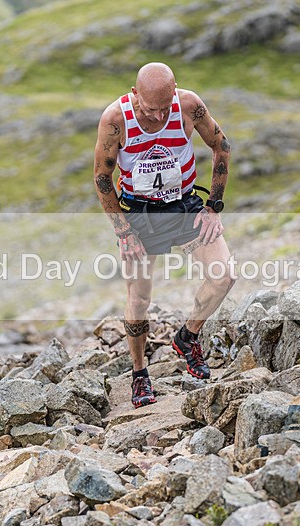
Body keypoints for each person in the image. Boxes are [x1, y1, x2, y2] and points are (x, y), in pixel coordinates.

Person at [93, 62, 235, 408]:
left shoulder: (188, 106)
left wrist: (213, 205)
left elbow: (222, 146)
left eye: (163, 108)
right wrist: (123, 231)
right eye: (148, 108)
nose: (156, 117)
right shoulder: (116, 119)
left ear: (175, 93)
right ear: (133, 93)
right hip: (139, 214)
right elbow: (101, 178)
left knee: (224, 276)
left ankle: (188, 337)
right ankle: (140, 373)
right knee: (140, 299)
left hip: (184, 205)